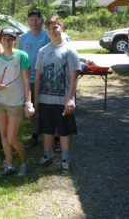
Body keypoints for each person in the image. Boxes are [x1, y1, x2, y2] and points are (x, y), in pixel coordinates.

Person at [34, 15, 80, 174]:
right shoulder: (42, 51)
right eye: (50, 28)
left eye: (55, 27)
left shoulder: (69, 50)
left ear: (62, 28)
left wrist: (70, 99)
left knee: (64, 130)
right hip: (45, 98)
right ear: (46, 32)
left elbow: (74, 78)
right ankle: (47, 155)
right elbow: (38, 76)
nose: (53, 31)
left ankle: (66, 160)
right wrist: (35, 100)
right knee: (46, 129)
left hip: (63, 100)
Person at [0, 28, 31, 177]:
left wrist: (28, 103)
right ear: (0, 40)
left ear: (14, 40)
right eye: (4, 39)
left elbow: (27, 82)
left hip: (16, 102)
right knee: (3, 135)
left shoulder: (22, 56)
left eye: (10, 39)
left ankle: (25, 162)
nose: (7, 42)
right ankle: (10, 165)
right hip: (0, 102)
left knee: (12, 136)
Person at [19, 10, 50, 146]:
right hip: (27, 79)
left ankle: (51, 135)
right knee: (32, 109)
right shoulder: (24, 38)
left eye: (37, 19)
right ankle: (35, 135)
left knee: (46, 108)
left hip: (44, 78)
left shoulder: (47, 36)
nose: (34, 22)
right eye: (31, 19)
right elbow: (19, 57)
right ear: (28, 22)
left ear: (42, 21)